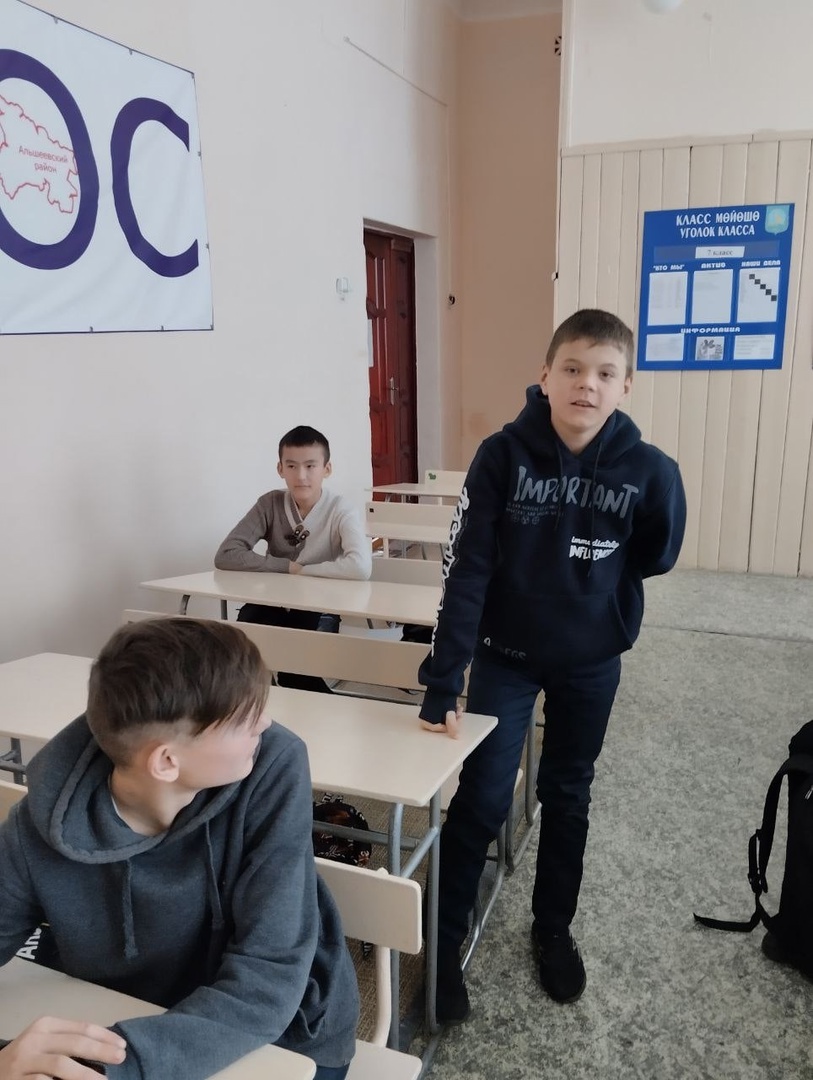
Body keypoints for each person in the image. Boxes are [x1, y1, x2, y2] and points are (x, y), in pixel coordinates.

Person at [418, 309, 687, 1023]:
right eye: (571, 368)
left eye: (604, 373)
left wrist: (597, 593)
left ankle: (552, 929)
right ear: (544, 375)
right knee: (482, 797)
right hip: (503, 659)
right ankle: (441, 949)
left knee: (568, 794)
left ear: (625, 385)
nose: (585, 384)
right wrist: (444, 677)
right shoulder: (501, 456)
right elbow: (467, 570)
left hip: (591, 663)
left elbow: (656, 553)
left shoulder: (652, 472)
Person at [0, 618, 359, 1080]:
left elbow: (270, 974)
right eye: (245, 719)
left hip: (284, 1027)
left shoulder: (272, 762)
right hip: (127, 1010)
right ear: (167, 762)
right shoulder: (40, 826)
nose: (265, 723)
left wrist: (113, 1066)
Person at [215, 425, 372, 693]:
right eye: (291, 466)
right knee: (244, 663)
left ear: (327, 469)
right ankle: (260, 707)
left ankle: (307, 706)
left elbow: (360, 567)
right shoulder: (269, 504)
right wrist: (286, 566)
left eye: (311, 466)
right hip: (272, 603)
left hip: (319, 607)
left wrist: (303, 571)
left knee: (298, 674)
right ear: (280, 469)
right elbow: (227, 554)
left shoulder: (340, 509)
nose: (301, 476)